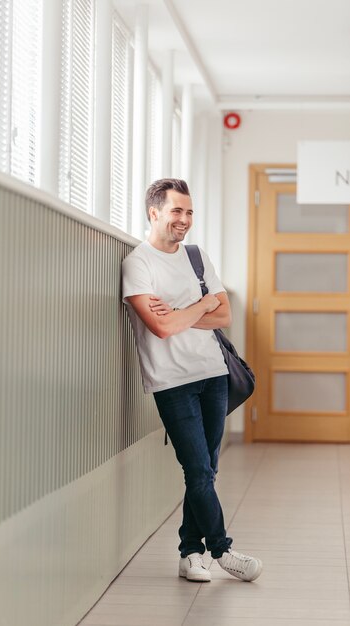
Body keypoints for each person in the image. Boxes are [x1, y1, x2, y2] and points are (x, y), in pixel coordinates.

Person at [121, 178, 262, 583]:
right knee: (197, 469)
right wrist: (202, 303)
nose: (184, 220)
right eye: (176, 211)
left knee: (207, 470)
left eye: (189, 212)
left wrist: (183, 311)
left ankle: (189, 553)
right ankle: (223, 550)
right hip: (171, 381)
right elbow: (160, 329)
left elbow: (224, 317)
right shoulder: (138, 264)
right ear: (154, 213)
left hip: (213, 374)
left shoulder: (198, 258)